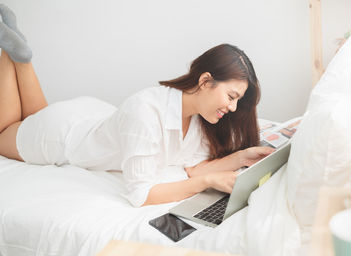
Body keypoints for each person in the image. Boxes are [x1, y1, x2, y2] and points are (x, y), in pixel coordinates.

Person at [0, 4, 274, 207]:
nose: (234, 108)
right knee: (5, 132)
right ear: (205, 81)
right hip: (59, 136)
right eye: (232, 96)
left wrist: (241, 158)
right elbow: (141, 195)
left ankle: (21, 57)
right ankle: (9, 53)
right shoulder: (146, 111)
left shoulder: (198, 119)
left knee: (34, 117)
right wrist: (208, 182)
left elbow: (191, 168)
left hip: (80, 118)